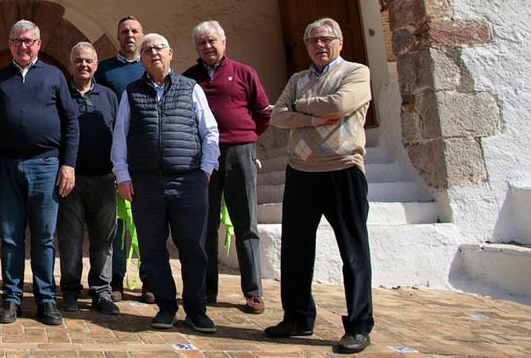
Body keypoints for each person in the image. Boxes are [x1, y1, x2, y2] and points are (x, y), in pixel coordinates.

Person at [265, 18, 374, 355]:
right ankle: (297, 317)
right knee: (296, 250)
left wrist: (298, 107)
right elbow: (276, 116)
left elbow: (340, 105)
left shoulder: (357, 73)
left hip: (343, 170)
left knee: (352, 252)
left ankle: (358, 325)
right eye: (312, 40)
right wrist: (312, 116)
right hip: (301, 171)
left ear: (339, 42)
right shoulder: (298, 79)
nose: (319, 45)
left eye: (326, 39)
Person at [112, 33, 220, 334]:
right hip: (146, 184)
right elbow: (120, 137)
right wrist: (123, 175)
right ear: (142, 59)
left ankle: (196, 309)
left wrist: (205, 171)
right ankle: (166, 306)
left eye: (158, 48)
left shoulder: (191, 88)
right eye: (147, 51)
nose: (153, 54)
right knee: (152, 248)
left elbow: (209, 131)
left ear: (170, 53)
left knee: (193, 247)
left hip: (188, 181)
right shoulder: (132, 92)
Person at [0, 20, 79, 326]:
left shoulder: (55, 76)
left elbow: (71, 123)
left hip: (46, 166)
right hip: (7, 167)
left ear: (39, 44)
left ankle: (45, 299)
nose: (23, 46)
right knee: (11, 237)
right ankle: (11, 299)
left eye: (29, 40)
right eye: (17, 41)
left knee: (43, 238)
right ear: (9, 44)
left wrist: (68, 164)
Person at [182, 20, 271, 314]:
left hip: (240, 152)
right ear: (196, 47)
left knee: (246, 223)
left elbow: (263, 111)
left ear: (223, 42)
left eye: (212, 41)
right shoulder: (190, 78)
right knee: (204, 225)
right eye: (202, 43)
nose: (208, 47)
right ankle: (207, 290)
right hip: (204, 157)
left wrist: (246, 137)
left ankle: (253, 291)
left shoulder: (244, 73)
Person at [57, 42, 121, 315]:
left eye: (89, 61)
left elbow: (120, 135)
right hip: (71, 179)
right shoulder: (61, 94)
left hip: (105, 178)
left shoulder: (109, 96)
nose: (84, 65)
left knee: (103, 239)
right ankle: (70, 290)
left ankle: (101, 291)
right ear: (71, 64)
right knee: (70, 239)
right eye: (78, 60)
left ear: (96, 65)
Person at [95, 15, 152, 303]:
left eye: (135, 31)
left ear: (142, 35)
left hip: (147, 156)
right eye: (125, 31)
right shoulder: (104, 70)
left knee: (146, 220)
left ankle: (149, 279)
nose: (130, 35)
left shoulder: (151, 68)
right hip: (114, 157)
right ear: (118, 36)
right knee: (116, 222)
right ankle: (115, 278)